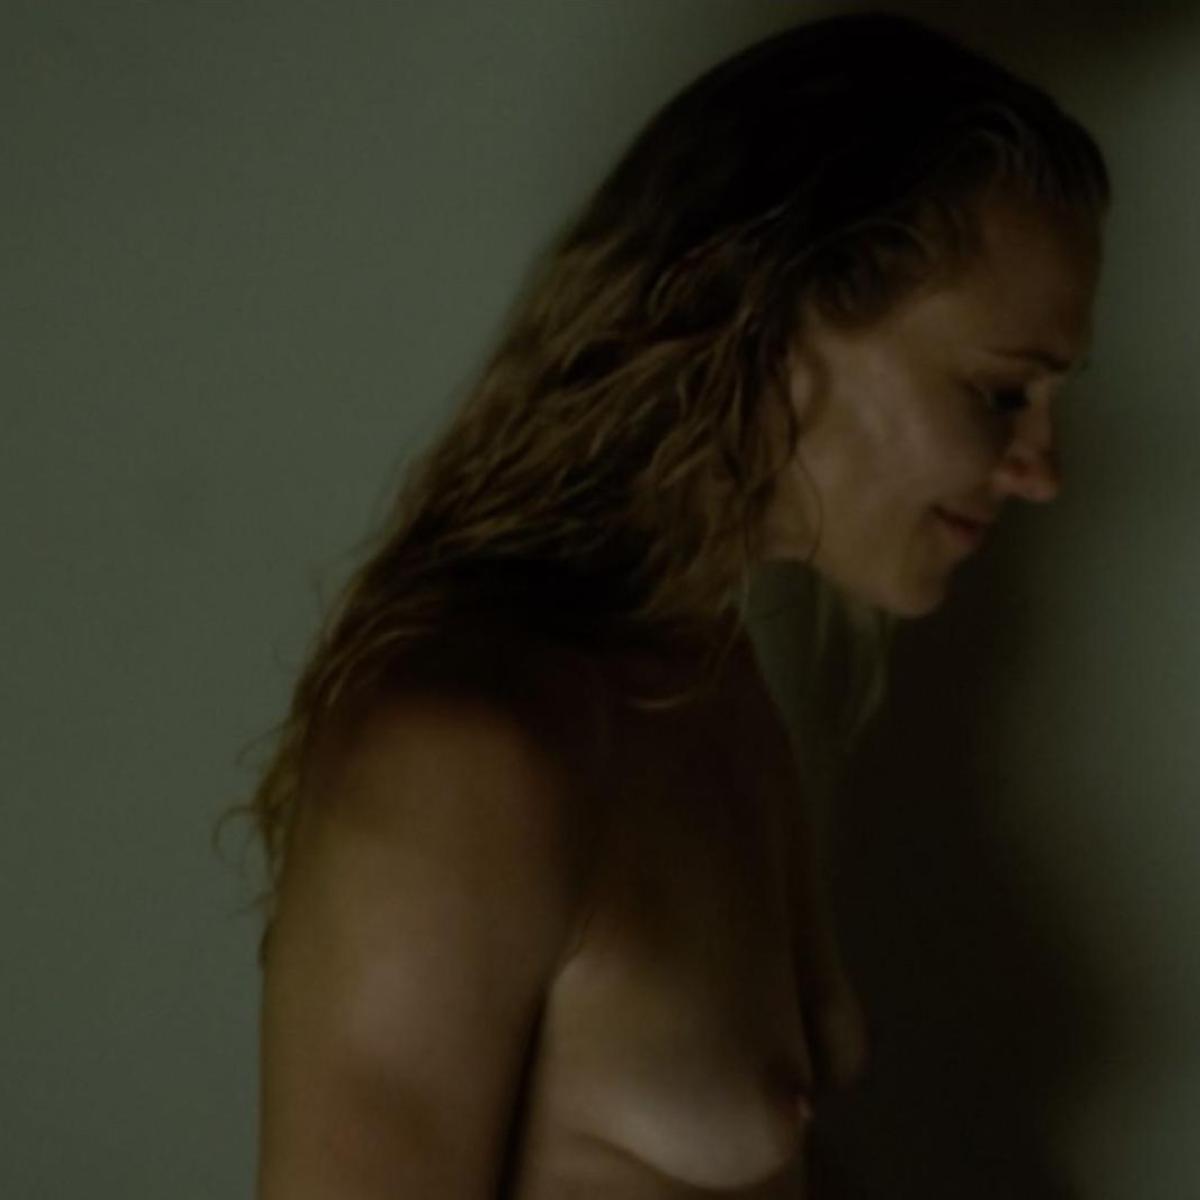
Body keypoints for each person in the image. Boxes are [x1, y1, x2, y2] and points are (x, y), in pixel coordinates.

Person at [229, 11, 1109, 1198]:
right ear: (780, 325)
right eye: (1002, 393)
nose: (1041, 471)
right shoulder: (469, 760)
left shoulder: (708, 683)